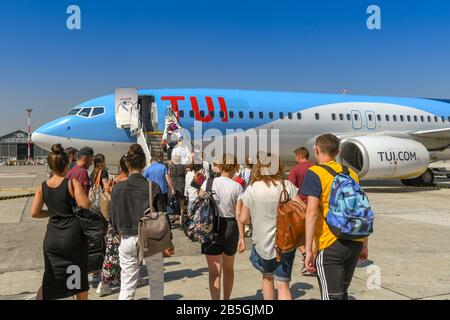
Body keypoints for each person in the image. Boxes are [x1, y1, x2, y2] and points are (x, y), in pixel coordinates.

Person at [301, 134, 369, 300]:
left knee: (331, 297)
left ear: (316, 150)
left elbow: (312, 212)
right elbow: (360, 208)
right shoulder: (351, 174)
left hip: (330, 242)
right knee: (341, 294)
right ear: (337, 152)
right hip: (355, 242)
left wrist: (308, 250)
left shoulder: (315, 173)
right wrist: (364, 244)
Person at [31, 144, 90, 300]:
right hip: (72, 241)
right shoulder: (72, 183)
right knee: (77, 281)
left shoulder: (43, 187)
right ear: (66, 165)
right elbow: (85, 205)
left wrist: (52, 211)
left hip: (52, 240)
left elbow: (35, 213)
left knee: (52, 280)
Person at [109, 144, 167, 300]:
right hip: (151, 239)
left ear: (127, 164)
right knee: (156, 282)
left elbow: (112, 219)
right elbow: (163, 217)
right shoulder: (152, 187)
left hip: (127, 239)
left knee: (127, 286)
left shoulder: (117, 188)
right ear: (144, 164)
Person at [239, 153, 299, 300]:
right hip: (285, 241)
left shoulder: (252, 188)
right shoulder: (287, 186)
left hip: (262, 242)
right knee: (284, 285)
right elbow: (301, 209)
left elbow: (244, 218)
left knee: (267, 278)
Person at [198, 154, 245, 300]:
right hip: (230, 226)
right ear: (235, 167)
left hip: (211, 226)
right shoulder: (237, 187)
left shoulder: (208, 183)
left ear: (220, 166)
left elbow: (199, 207)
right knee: (229, 268)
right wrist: (242, 237)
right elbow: (239, 214)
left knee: (214, 272)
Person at [96, 155, 129, 297]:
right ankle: (104, 284)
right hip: (125, 224)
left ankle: (116, 281)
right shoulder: (128, 182)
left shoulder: (114, 181)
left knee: (114, 255)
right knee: (116, 256)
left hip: (113, 222)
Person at [288, 147, 315, 276]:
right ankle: (313, 260)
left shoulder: (295, 169)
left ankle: (306, 255)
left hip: (300, 205)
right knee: (313, 234)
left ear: (299, 156)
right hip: (315, 204)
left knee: (295, 234)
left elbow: (291, 188)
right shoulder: (316, 167)